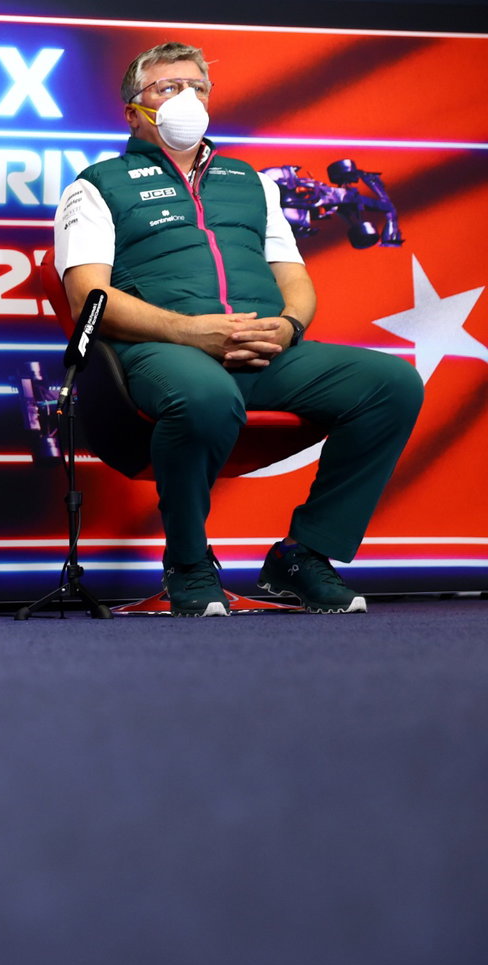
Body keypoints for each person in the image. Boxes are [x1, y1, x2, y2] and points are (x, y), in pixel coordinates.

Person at [54, 41, 423, 616]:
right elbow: (89, 297)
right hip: (159, 354)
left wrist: (289, 325)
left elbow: (295, 278)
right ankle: (188, 563)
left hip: (262, 352)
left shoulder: (250, 182)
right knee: (204, 396)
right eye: (167, 88)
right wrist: (189, 332)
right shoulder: (97, 185)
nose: (186, 99)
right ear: (133, 110)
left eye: (197, 88)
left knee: (391, 385)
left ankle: (304, 555)